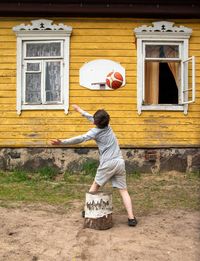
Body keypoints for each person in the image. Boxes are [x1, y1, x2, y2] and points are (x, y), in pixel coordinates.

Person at [51, 105, 137, 227]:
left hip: (107, 164)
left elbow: (80, 138)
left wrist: (62, 142)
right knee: (123, 191)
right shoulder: (108, 126)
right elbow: (92, 118)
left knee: (95, 185)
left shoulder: (95, 132)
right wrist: (80, 110)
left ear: (95, 123)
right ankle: (131, 218)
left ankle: (87, 210)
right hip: (119, 162)